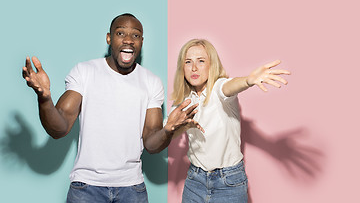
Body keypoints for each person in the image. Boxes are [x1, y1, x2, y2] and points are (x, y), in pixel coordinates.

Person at [22, 13, 201, 203]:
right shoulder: (84, 72)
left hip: (132, 188)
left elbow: (151, 143)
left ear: (142, 41)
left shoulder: (151, 82)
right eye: (120, 33)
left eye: (136, 35)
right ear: (109, 38)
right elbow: (60, 127)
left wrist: (167, 131)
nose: (128, 40)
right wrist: (45, 98)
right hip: (86, 188)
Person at [170, 39, 291, 203]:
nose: (194, 68)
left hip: (228, 183)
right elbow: (169, 131)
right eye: (188, 62)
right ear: (182, 68)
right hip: (195, 181)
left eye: (201, 61)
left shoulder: (219, 89)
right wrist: (175, 128)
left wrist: (248, 80)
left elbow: (230, 86)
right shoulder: (182, 101)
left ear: (211, 65)